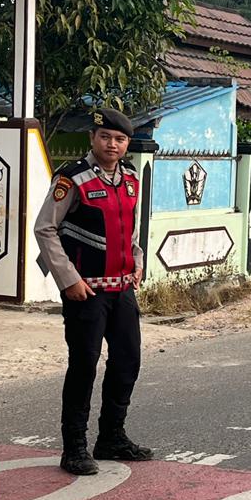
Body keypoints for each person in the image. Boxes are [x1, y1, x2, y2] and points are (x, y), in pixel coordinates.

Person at [34, 108, 152, 477]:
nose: (112, 145)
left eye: (119, 139)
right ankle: (74, 448)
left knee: (127, 361)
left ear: (127, 143)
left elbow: (131, 227)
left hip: (122, 291)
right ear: (93, 137)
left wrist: (137, 259)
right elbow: (45, 229)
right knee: (84, 366)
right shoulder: (72, 178)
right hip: (86, 293)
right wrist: (68, 279)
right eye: (105, 137)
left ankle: (112, 437)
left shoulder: (132, 177)